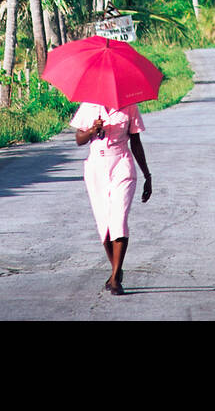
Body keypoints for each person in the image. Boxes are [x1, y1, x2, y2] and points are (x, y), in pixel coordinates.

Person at [70, 100, 152, 295]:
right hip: (96, 166)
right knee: (104, 224)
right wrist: (92, 130)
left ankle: (115, 278)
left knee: (119, 219)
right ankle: (117, 268)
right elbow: (79, 139)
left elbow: (136, 142)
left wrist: (147, 175)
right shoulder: (89, 106)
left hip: (122, 163)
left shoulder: (130, 106)